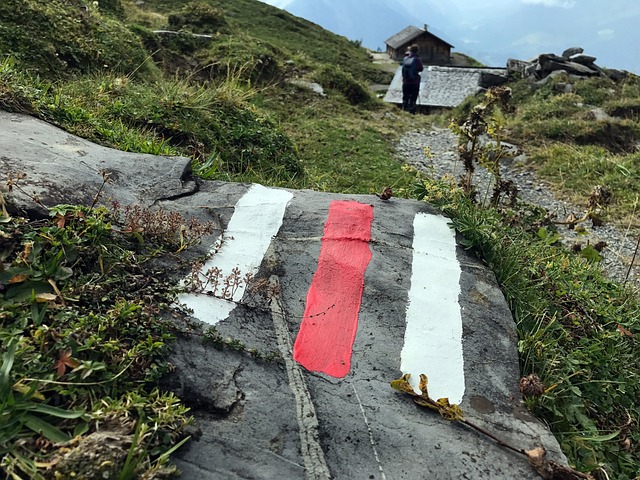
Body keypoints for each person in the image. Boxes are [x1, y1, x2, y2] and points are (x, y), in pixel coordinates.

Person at [401, 44, 424, 114]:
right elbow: (421, 69)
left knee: (405, 97)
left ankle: (403, 110)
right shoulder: (417, 59)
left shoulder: (405, 58)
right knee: (413, 98)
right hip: (414, 82)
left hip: (405, 82)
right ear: (417, 51)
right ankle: (412, 112)